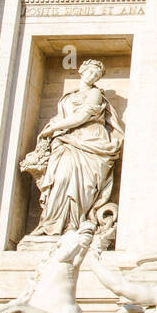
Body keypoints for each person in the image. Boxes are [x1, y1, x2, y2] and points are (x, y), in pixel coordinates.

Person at [22, 59, 123, 236]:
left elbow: (83, 116)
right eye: (90, 72)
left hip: (90, 139)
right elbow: (64, 116)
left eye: (97, 75)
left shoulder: (95, 94)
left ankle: (74, 224)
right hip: (67, 140)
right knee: (60, 179)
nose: (93, 76)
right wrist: (55, 127)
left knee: (83, 185)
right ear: (81, 71)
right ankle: (51, 224)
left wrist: (55, 127)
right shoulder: (68, 96)